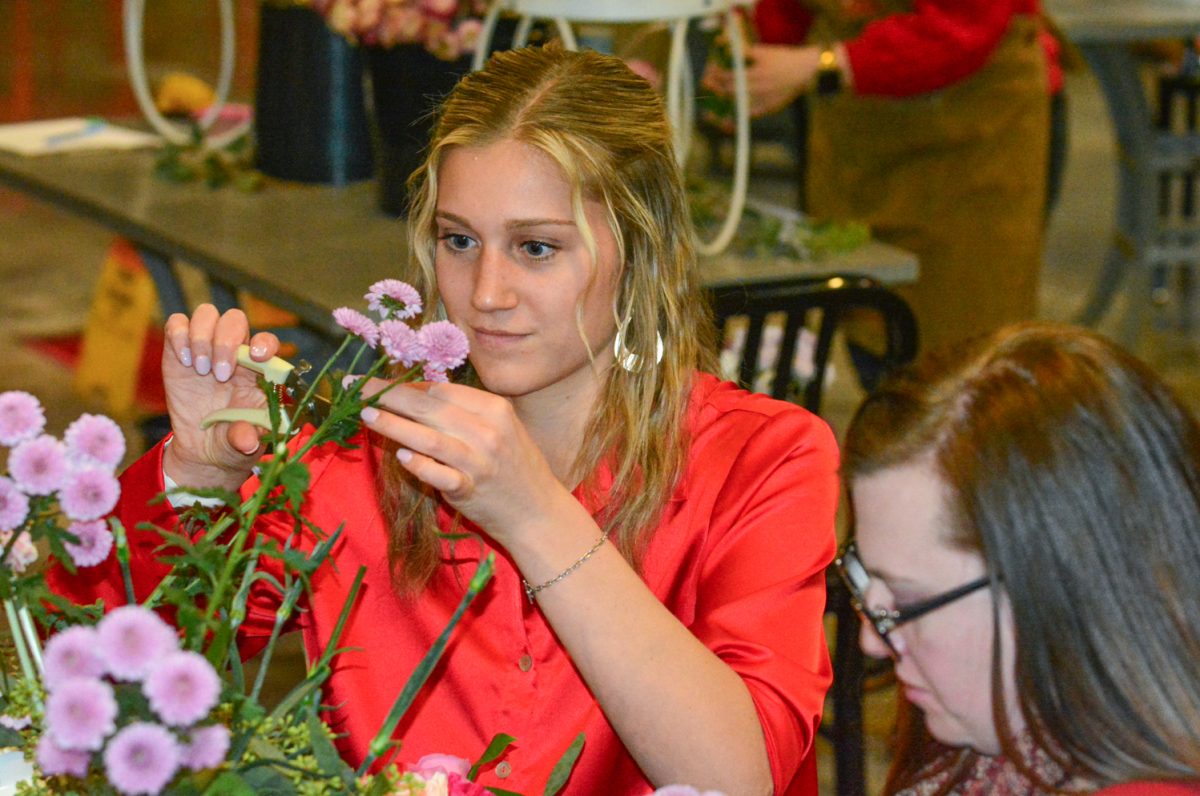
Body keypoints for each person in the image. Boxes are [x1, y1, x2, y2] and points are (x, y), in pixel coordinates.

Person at [50, 45, 839, 795]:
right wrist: (199, 477)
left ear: (641, 249)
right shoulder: (364, 455)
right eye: (459, 241)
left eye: (536, 248)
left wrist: (534, 515)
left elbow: (740, 775)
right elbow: (92, 668)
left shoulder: (761, 459)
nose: (486, 292)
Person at [838, 322, 1200, 794]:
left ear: (1058, 590)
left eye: (906, 601)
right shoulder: (988, 717)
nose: (871, 641)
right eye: (865, 579)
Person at [705, 0, 1052, 356]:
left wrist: (817, 64)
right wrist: (757, 57)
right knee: (868, 314)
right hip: (858, 137)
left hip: (966, 139)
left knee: (961, 343)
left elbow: (962, 29)